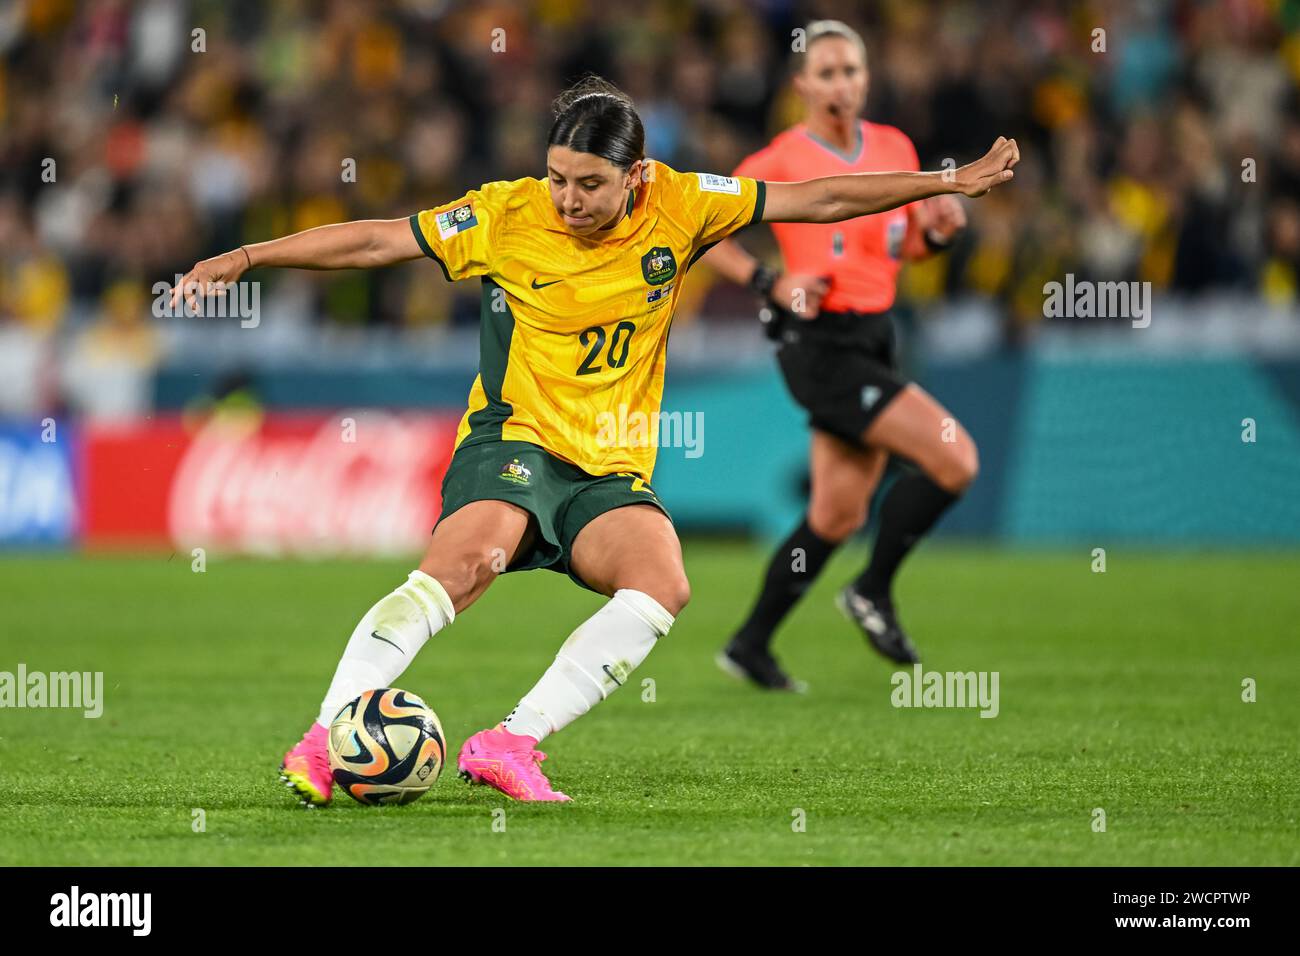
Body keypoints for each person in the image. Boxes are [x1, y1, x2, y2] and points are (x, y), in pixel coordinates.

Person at [171, 75, 1018, 803]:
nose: (567, 200)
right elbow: (376, 240)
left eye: (588, 183)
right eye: (557, 179)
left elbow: (820, 199)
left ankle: (511, 742)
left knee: (662, 585)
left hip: (607, 464)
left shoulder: (684, 204)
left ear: (636, 177)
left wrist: (946, 181)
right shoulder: (504, 215)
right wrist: (245, 257)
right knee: (465, 565)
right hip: (514, 442)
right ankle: (324, 740)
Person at [705, 21, 976, 691]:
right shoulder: (782, 158)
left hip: (877, 335)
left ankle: (750, 644)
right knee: (955, 460)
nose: (840, 84)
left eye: (850, 70)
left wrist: (937, 238)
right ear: (801, 85)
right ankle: (873, 592)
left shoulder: (894, 146)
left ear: (866, 79)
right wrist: (771, 282)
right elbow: (705, 232)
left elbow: (904, 248)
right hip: (819, 341)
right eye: (825, 72)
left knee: (837, 515)